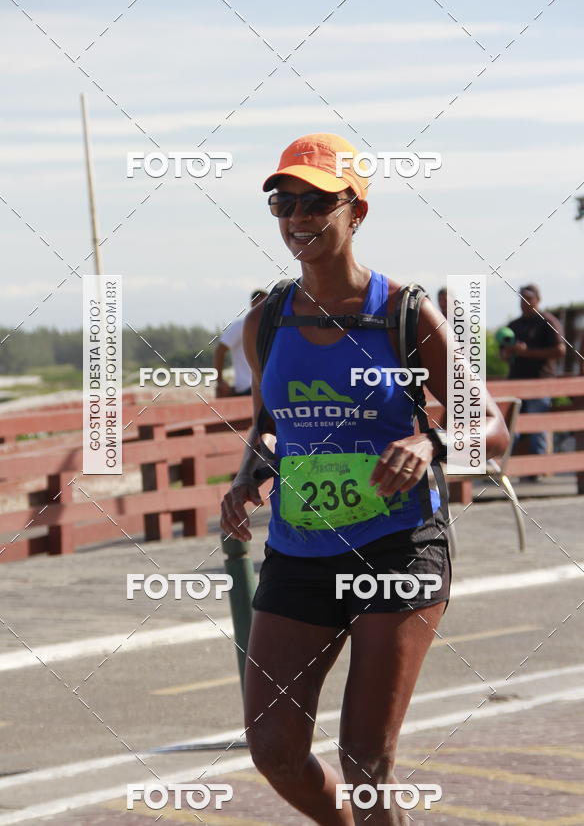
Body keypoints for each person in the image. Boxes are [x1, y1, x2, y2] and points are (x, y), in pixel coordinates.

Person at [220, 133, 509, 826]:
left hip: (397, 547)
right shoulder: (268, 320)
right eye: (284, 203)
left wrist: (432, 441)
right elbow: (270, 425)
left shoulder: (404, 314)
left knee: (365, 759)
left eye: (316, 202)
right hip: (300, 549)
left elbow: (493, 425)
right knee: (274, 749)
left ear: (357, 211)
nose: (298, 217)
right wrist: (247, 476)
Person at [501, 284, 565, 478]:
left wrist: (527, 352)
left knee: (538, 427)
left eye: (529, 298)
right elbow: (503, 354)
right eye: (522, 298)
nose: (525, 302)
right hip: (516, 384)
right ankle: (503, 471)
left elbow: (560, 350)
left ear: (538, 299)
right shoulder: (514, 325)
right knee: (511, 428)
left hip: (540, 384)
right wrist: (509, 353)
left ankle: (536, 473)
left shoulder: (548, 321)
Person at [214, 290, 268, 397]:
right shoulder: (240, 326)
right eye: (260, 302)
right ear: (252, 304)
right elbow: (220, 351)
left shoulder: (271, 328)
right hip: (247, 387)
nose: (264, 307)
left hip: (265, 386)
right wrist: (219, 381)